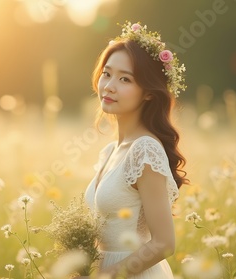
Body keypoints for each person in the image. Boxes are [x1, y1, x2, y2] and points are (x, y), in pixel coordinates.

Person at [81, 22, 188, 278]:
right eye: (107, 74)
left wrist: (105, 277)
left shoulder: (145, 150)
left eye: (125, 79)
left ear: (149, 94)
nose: (109, 86)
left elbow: (164, 243)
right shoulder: (109, 152)